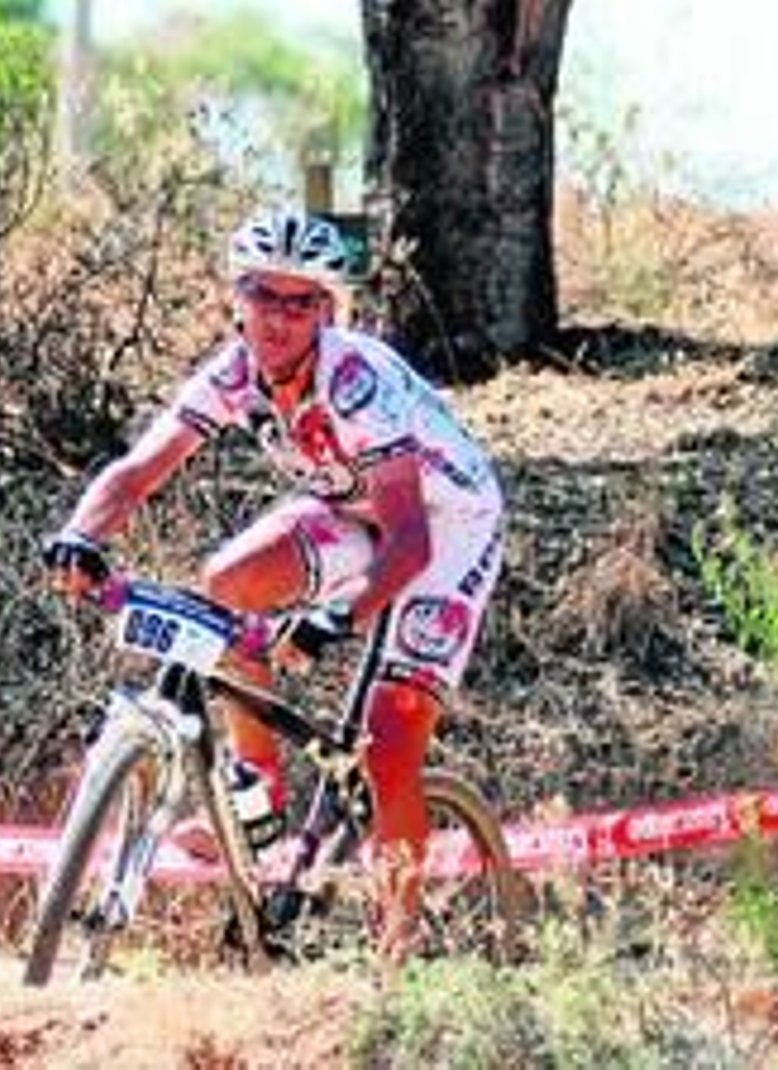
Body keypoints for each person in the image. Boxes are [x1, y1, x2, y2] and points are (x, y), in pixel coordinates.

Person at [42, 207, 505, 957]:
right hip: (352, 504)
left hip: (446, 522)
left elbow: (411, 541)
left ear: (327, 309)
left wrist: (337, 619)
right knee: (228, 580)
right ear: (238, 298)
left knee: (390, 743)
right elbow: (137, 472)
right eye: (264, 296)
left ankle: (397, 954)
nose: (280, 318)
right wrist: (79, 536)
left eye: (301, 302)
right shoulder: (233, 373)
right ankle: (259, 787)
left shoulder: (356, 382)